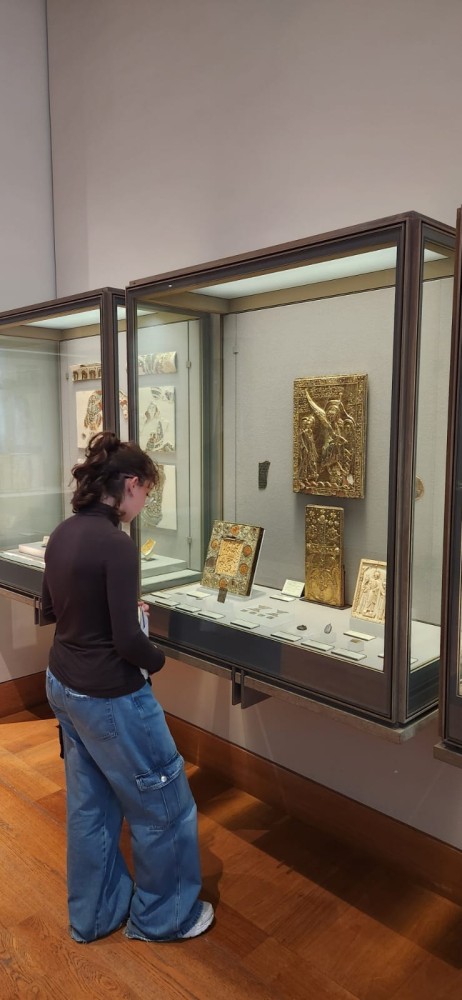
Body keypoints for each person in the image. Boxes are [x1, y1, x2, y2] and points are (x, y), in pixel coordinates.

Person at [42, 430, 214, 944]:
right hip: (109, 695)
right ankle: (167, 917)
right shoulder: (117, 545)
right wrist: (158, 660)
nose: (143, 506)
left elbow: (53, 607)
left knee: (90, 806)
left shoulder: (63, 532)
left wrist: (111, 612)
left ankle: (94, 916)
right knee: (165, 806)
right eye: (146, 494)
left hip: (63, 682)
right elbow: (126, 642)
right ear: (132, 484)